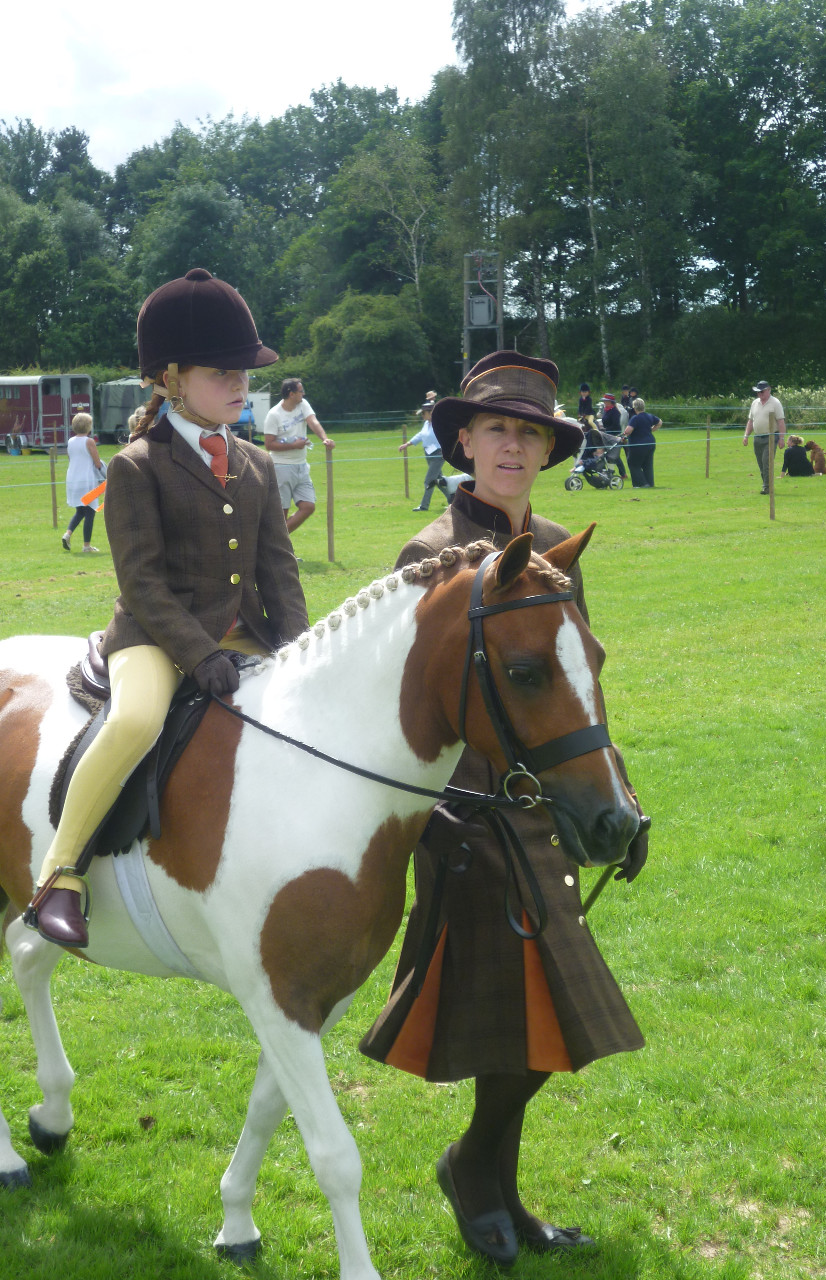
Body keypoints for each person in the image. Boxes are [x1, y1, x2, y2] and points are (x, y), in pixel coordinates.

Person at [361, 350, 649, 1267]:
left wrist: (619, 795)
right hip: (466, 812)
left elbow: (574, 690)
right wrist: (442, 813)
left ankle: (491, 1181)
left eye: (530, 433)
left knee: (542, 1016)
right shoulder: (430, 554)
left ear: (549, 449)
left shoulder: (557, 546)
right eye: (497, 430)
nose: (514, 447)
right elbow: (404, 711)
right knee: (519, 1019)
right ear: (463, 442)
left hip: (548, 804)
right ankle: (477, 1176)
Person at [24, 268, 309, 948]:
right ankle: (60, 873)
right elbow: (143, 583)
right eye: (222, 372)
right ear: (171, 378)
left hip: (242, 633)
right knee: (134, 721)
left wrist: (304, 648)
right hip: (155, 638)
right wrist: (200, 653)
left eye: (244, 372)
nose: (240, 384)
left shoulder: (257, 463)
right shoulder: (136, 465)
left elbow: (278, 571)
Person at [263, 378, 335, 533]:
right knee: (281, 513)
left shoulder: (303, 405)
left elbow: (313, 422)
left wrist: (325, 438)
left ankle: (279, 538)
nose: (303, 393)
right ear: (291, 394)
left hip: (301, 466)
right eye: (301, 391)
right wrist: (294, 445)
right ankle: (278, 543)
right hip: (281, 467)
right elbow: (269, 444)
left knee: (308, 506)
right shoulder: (274, 414)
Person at [61, 412, 106, 553]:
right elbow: (97, 463)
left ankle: (67, 534)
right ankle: (86, 546)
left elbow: (71, 459)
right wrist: (105, 475)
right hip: (87, 480)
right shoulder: (89, 441)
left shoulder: (70, 441)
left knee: (80, 511)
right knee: (90, 512)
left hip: (73, 478)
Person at [400, 401, 446, 511]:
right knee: (438, 480)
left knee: (429, 480)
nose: (422, 415)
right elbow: (420, 435)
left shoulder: (439, 423)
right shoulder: (426, 424)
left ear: (431, 413)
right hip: (429, 454)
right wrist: (407, 444)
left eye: (423, 413)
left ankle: (424, 506)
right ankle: (453, 500)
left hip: (438, 455)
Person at [743, 380, 785, 494]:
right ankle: (767, 484)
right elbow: (751, 421)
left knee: (767, 462)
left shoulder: (775, 403)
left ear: (768, 390)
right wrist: (746, 435)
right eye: (758, 392)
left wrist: (781, 438)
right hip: (757, 437)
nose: (760, 394)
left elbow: (781, 421)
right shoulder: (755, 403)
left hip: (771, 437)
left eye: (762, 391)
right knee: (761, 464)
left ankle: (767, 487)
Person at [622, 397, 661, 488]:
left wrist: (624, 435)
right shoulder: (649, 416)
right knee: (647, 464)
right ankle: (650, 483)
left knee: (633, 463)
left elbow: (628, 431)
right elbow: (660, 422)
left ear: (634, 407)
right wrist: (652, 430)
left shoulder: (635, 418)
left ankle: (641, 483)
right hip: (650, 443)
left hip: (638, 445)